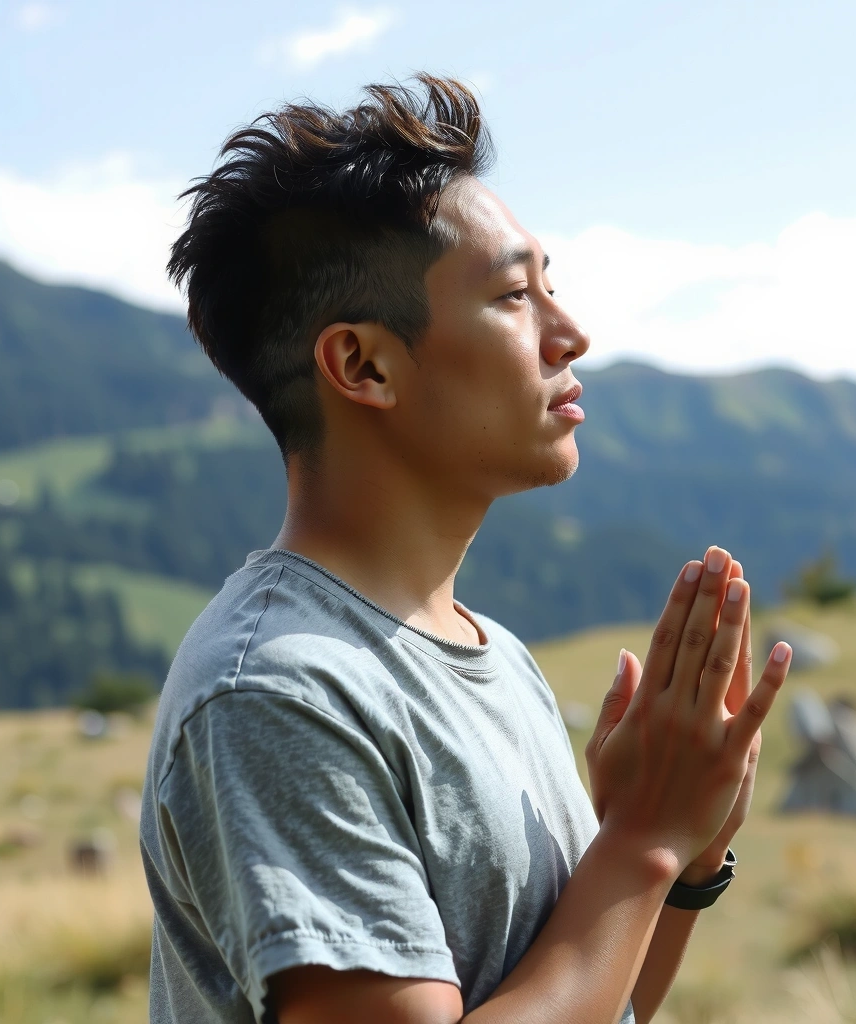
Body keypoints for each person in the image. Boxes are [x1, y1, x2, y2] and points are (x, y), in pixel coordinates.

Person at [140, 75, 791, 1024]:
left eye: (552, 289)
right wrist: (643, 841)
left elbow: (597, 1007)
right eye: (517, 295)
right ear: (364, 365)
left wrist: (680, 860)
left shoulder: (494, 657)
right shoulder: (276, 693)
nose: (569, 334)